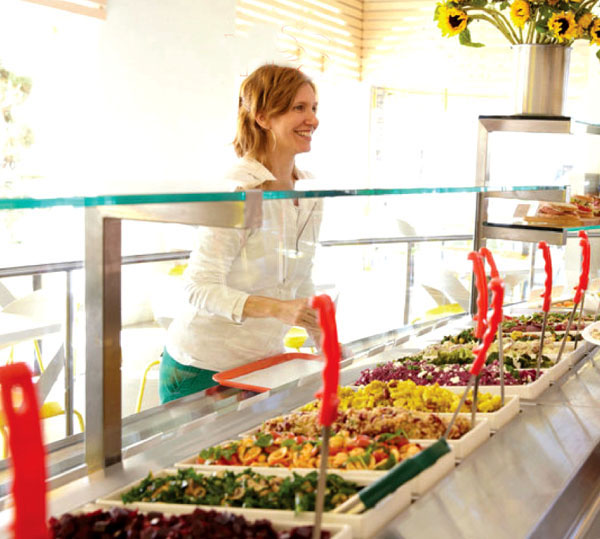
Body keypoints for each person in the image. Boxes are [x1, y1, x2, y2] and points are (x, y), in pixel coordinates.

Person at [160, 64, 323, 404]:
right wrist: (276, 308)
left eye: (314, 108)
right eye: (299, 108)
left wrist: (329, 345)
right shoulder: (242, 187)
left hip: (264, 364)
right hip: (203, 367)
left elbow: (300, 279)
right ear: (263, 117)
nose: (313, 119)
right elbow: (199, 287)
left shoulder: (308, 190)